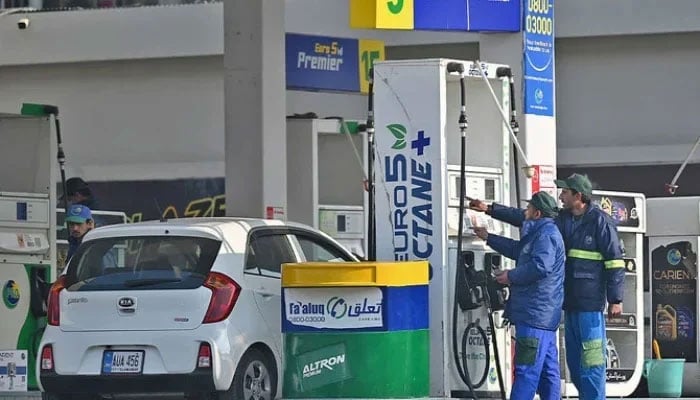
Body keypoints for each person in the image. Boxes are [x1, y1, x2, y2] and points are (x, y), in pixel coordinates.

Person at [469, 174, 624, 400]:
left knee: (591, 361)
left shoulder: (600, 222)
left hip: (589, 305)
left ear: (578, 196)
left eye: (565, 192)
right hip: (567, 302)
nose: (561, 196)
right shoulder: (561, 220)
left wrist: (616, 299)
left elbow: (615, 262)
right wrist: (489, 209)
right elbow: (522, 217)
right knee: (572, 362)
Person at [471, 191, 565, 400]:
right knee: (548, 372)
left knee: (526, 370)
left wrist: (510, 276)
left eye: (529, 208)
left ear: (537, 213)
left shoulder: (546, 235)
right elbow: (518, 250)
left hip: (534, 314)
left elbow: (541, 266)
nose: (526, 211)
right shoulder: (540, 232)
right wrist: (489, 237)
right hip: (543, 316)